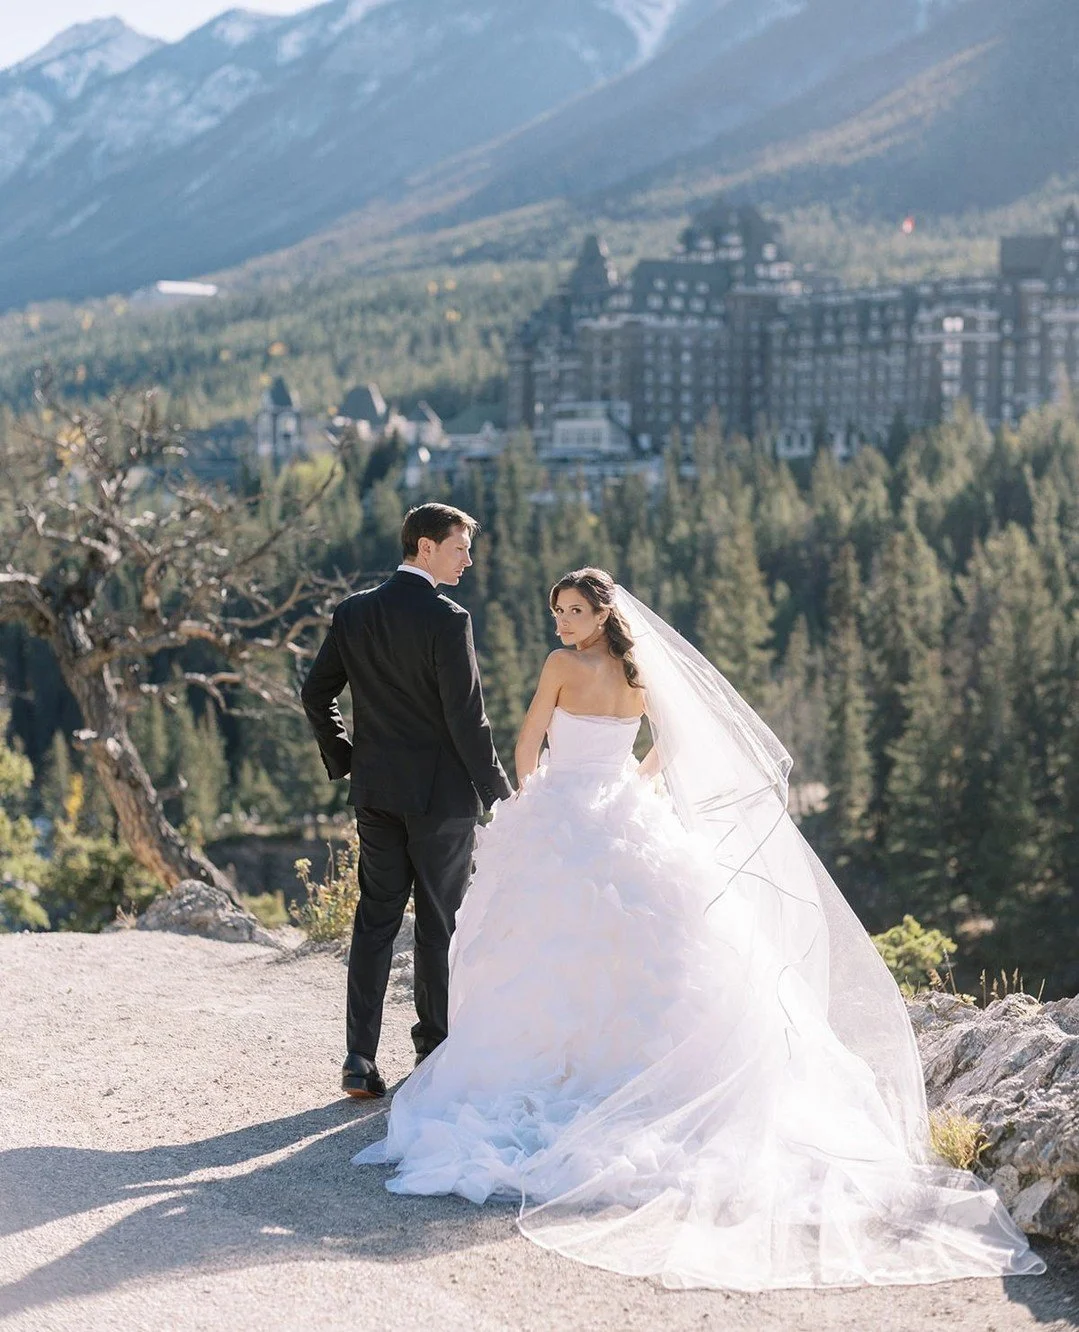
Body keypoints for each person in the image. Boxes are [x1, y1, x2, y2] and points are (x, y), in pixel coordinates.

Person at [354, 567, 1046, 1291]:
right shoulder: (639, 672)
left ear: (601, 613)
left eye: (573, 610)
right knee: (645, 945)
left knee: (547, 947)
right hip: (622, 810)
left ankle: (563, 1069)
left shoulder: (561, 665)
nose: (561, 622)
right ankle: (622, 1074)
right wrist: (636, 783)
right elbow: (673, 745)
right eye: (557, 610)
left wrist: (532, 801)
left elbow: (528, 741)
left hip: (564, 811)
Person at [301, 502, 512, 1099]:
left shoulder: (354, 612)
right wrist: (500, 793)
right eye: (459, 548)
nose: (467, 559)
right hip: (440, 798)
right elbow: (467, 720)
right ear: (425, 547)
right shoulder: (448, 618)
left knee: (375, 919)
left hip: (376, 792)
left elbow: (315, 694)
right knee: (439, 924)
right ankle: (433, 1052)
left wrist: (347, 757)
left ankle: (358, 1059)